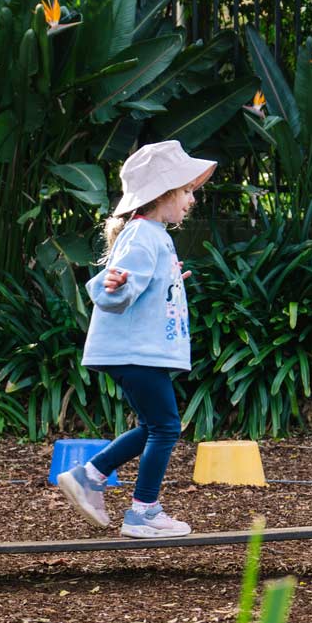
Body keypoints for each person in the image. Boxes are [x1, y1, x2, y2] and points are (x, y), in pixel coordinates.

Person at [56, 140, 216, 538]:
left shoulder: (152, 233)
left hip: (136, 352)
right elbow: (115, 289)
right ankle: (143, 512)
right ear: (162, 193)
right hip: (133, 353)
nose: (191, 199)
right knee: (166, 428)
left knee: (153, 425)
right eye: (186, 191)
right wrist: (112, 285)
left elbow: (140, 284)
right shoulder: (143, 234)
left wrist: (169, 281)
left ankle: (89, 475)